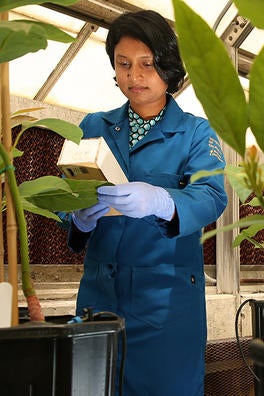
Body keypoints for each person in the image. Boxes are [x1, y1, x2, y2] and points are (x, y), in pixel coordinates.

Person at [66, 10, 227, 396]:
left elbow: (211, 196)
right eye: (123, 64)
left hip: (165, 304)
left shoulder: (195, 132)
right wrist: (77, 218)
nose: (133, 76)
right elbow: (66, 192)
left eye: (146, 64)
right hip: (98, 297)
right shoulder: (92, 126)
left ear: (168, 69)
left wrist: (162, 201)